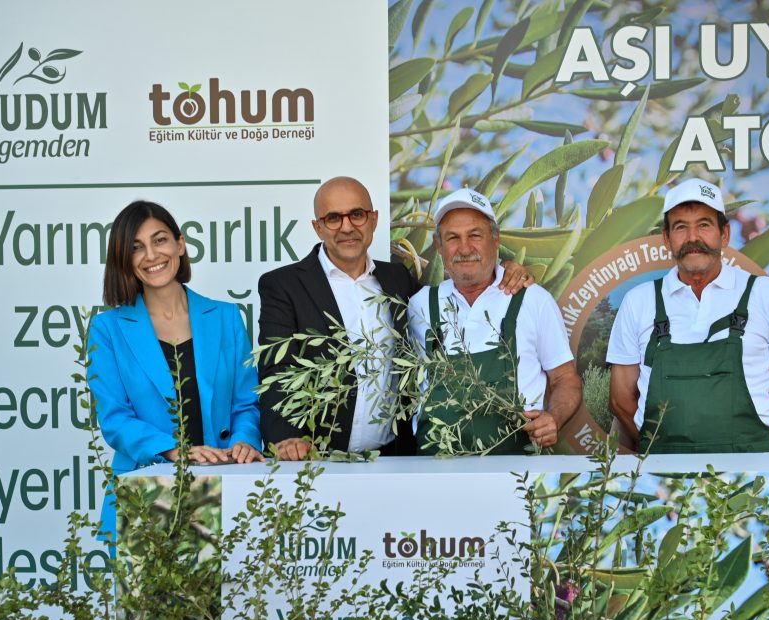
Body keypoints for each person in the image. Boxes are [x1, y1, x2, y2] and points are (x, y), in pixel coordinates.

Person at [257, 177, 532, 459]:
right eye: (333, 218)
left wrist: (504, 270)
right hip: (317, 457)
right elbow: (276, 372)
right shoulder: (283, 286)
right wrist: (286, 438)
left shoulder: (397, 279)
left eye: (357, 214)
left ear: (373, 220)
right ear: (318, 227)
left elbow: (460, 298)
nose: (347, 227)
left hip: (394, 458)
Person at [88, 200, 263, 538]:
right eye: (136, 247)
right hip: (146, 495)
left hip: (224, 491)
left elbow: (246, 404)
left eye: (160, 240)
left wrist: (243, 441)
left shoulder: (227, 318)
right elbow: (115, 419)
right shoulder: (107, 329)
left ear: (180, 245)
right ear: (124, 260)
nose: (152, 255)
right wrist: (174, 451)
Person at [607, 178, 769, 453]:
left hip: (744, 476)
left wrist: (750, 449)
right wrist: (655, 452)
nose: (693, 238)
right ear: (667, 238)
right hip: (662, 478)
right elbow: (620, 400)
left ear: (724, 234)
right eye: (681, 227)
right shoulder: (639, 301)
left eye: (704, 225)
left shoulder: (765, 294)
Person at [407, 188, 582, 455]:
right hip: (435, 473)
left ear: (495, 239)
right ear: (439, 246)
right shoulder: (419, 305)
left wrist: (553, 418)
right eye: (453, 238)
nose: (464, 248)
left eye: (475, 235)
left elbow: (566, 379)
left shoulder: (533, 300)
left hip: (516, 476)